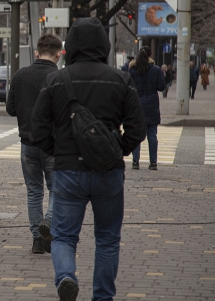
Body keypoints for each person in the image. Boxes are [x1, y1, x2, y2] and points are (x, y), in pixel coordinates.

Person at [31, 17, 146, 301]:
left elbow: (38, 130)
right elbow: (137, 129)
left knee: (64, 236)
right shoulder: (121, 79)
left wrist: (58, 151)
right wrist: (119, 149)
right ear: (104, 46)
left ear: (71, 47)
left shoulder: (56, 80)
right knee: (107, 239)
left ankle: (66, 276)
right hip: (109, 172)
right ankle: (103, 296)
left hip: (69, 171)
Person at [6, 34, 61, 254]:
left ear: (37, 52)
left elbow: (10, 109)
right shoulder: (59, 77)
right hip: (53, 145)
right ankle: (48, 221)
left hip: (27, 144)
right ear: (59, 54)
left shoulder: (20, 75)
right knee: (57, 189)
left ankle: (38, 241)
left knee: (34, 191)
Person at [129, 46, 165, 170]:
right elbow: (161, 87)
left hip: (136, 106)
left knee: (136, 135)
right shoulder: (156, 70)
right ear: (150, 56)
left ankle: (135, 162)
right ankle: (153, 162)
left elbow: (128, 88)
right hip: (152, 106)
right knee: (152, 135)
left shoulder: (133, 70)